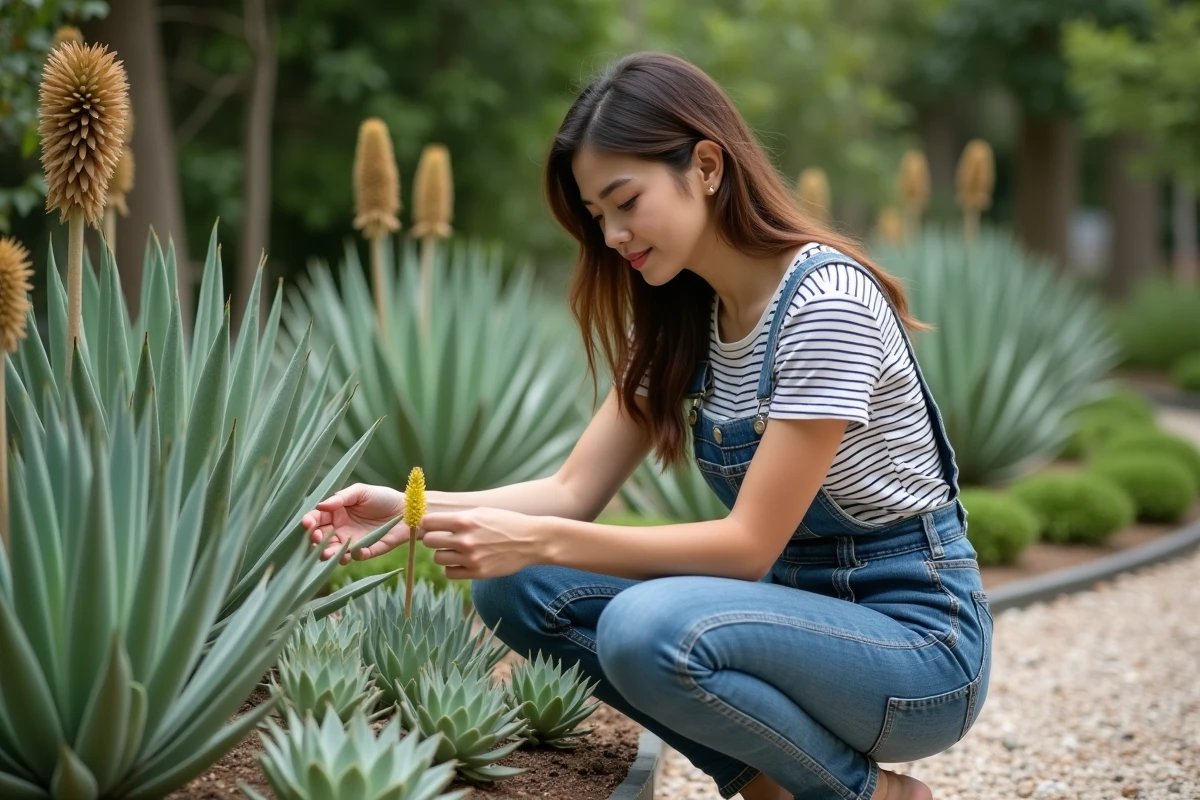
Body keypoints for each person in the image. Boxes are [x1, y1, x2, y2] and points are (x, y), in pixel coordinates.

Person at [303, 51, 992, 800]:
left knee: (645, 627)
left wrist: (531, 537)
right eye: (597, 216)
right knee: (518, 586)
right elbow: (571, 492)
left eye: (624, 201)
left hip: (918, 647)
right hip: (793, 615)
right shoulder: (681, 316)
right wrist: (408, 507)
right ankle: (764, 781)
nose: (612, 236)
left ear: (705, 165)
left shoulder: (824, 302)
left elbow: (745, 546)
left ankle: (871, 795)